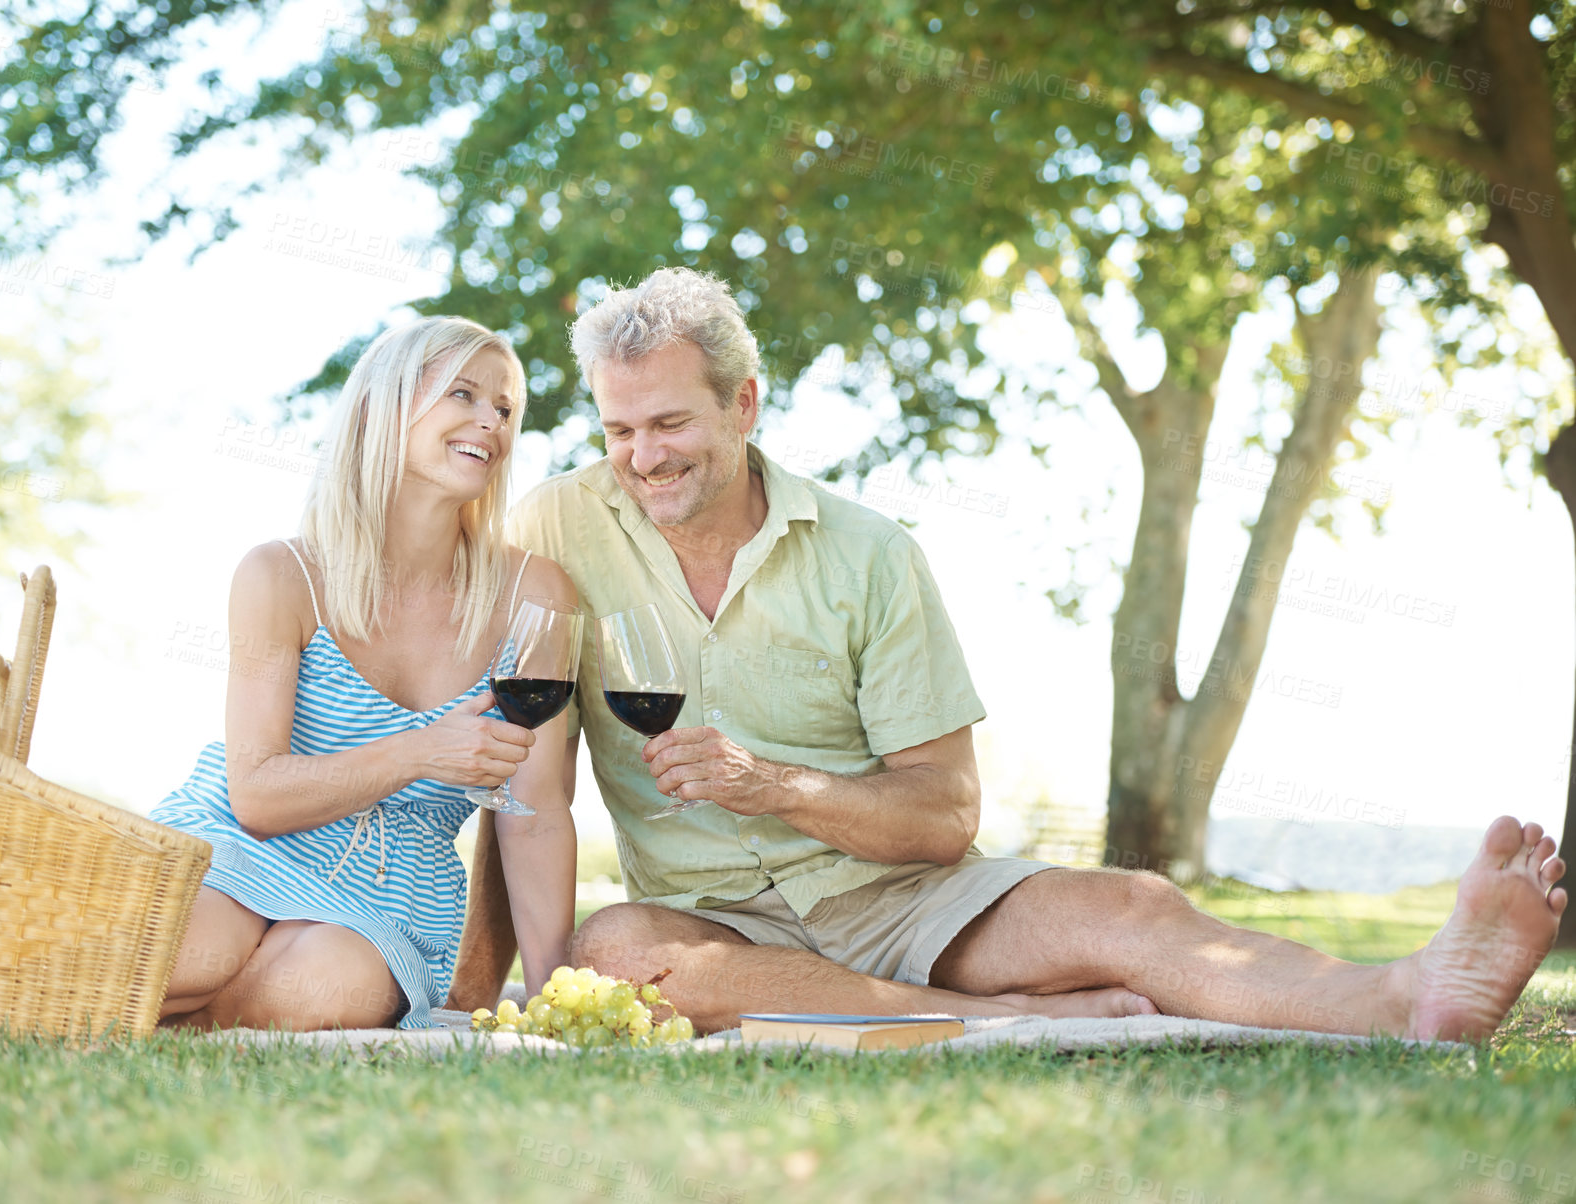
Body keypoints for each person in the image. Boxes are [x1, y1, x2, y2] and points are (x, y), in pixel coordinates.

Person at [484, 266, 1568, 1042]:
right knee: (614, 952)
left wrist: (772, 785)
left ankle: (1411, 993)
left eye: (669, 424)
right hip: (705, 916)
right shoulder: (555, 525)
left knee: (1132, 909)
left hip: (899, 899)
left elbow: (944, 814)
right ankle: (992, 1020)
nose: (641, 457)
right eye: (618, 431)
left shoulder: (869, 555)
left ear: (745, 403)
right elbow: (506, 734)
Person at [151, 317, 578, 1031]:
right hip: (243, 845)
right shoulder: (282, 574)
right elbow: (255, 794)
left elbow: (533, 819)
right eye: (463, 395)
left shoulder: (534, 596)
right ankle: (161, 997)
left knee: (328, 986)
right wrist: (423, 751)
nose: (491, 422)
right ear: (381, 409)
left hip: (387, 895)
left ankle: (159, 1025)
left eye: (505, 408)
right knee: (189, 951)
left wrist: (556, 1001)